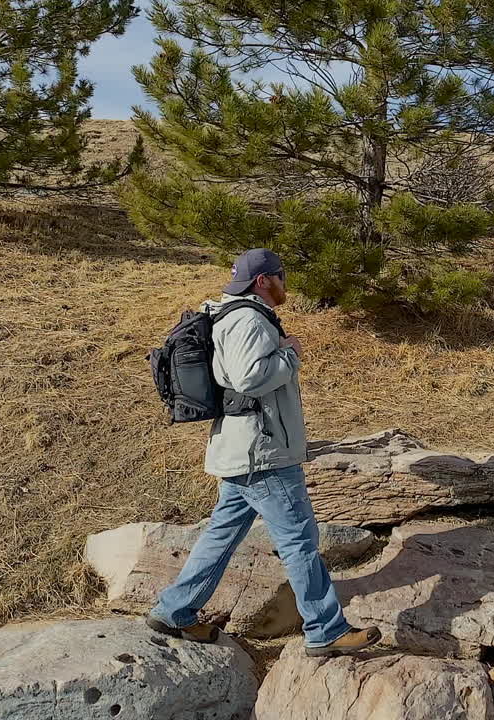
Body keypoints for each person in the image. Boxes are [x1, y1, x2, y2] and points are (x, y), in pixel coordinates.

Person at [147, 248, 382, 657]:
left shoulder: (231, 314)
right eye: (280, 275)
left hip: (245, 448)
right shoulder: (247, 318)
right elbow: (248, 377)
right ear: (263, 281)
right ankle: (325, 629)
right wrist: (290, 353)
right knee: (299, 541)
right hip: (263, 452)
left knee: (221, 535)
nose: (284, 282)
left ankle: (174, 610)